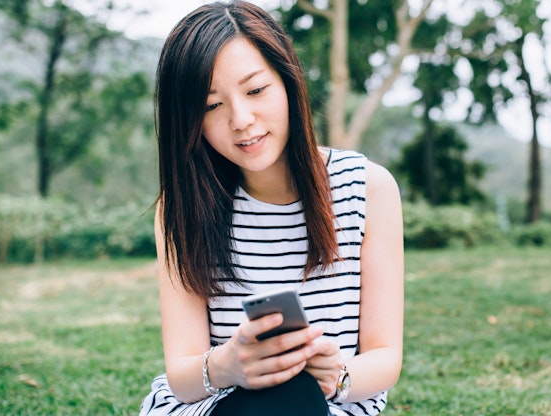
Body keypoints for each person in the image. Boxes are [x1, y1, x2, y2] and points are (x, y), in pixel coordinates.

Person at [137, 1, 404, 415]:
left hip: (328, 404)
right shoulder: (181, 209)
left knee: (294, 393)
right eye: (211, 106)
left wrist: (337, 376)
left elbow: (385, 355)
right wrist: (229, 365)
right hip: (219, 403)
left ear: (288, 82)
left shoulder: (367, 188)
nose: (241, 119)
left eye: (256, 90)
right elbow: (183, 377)